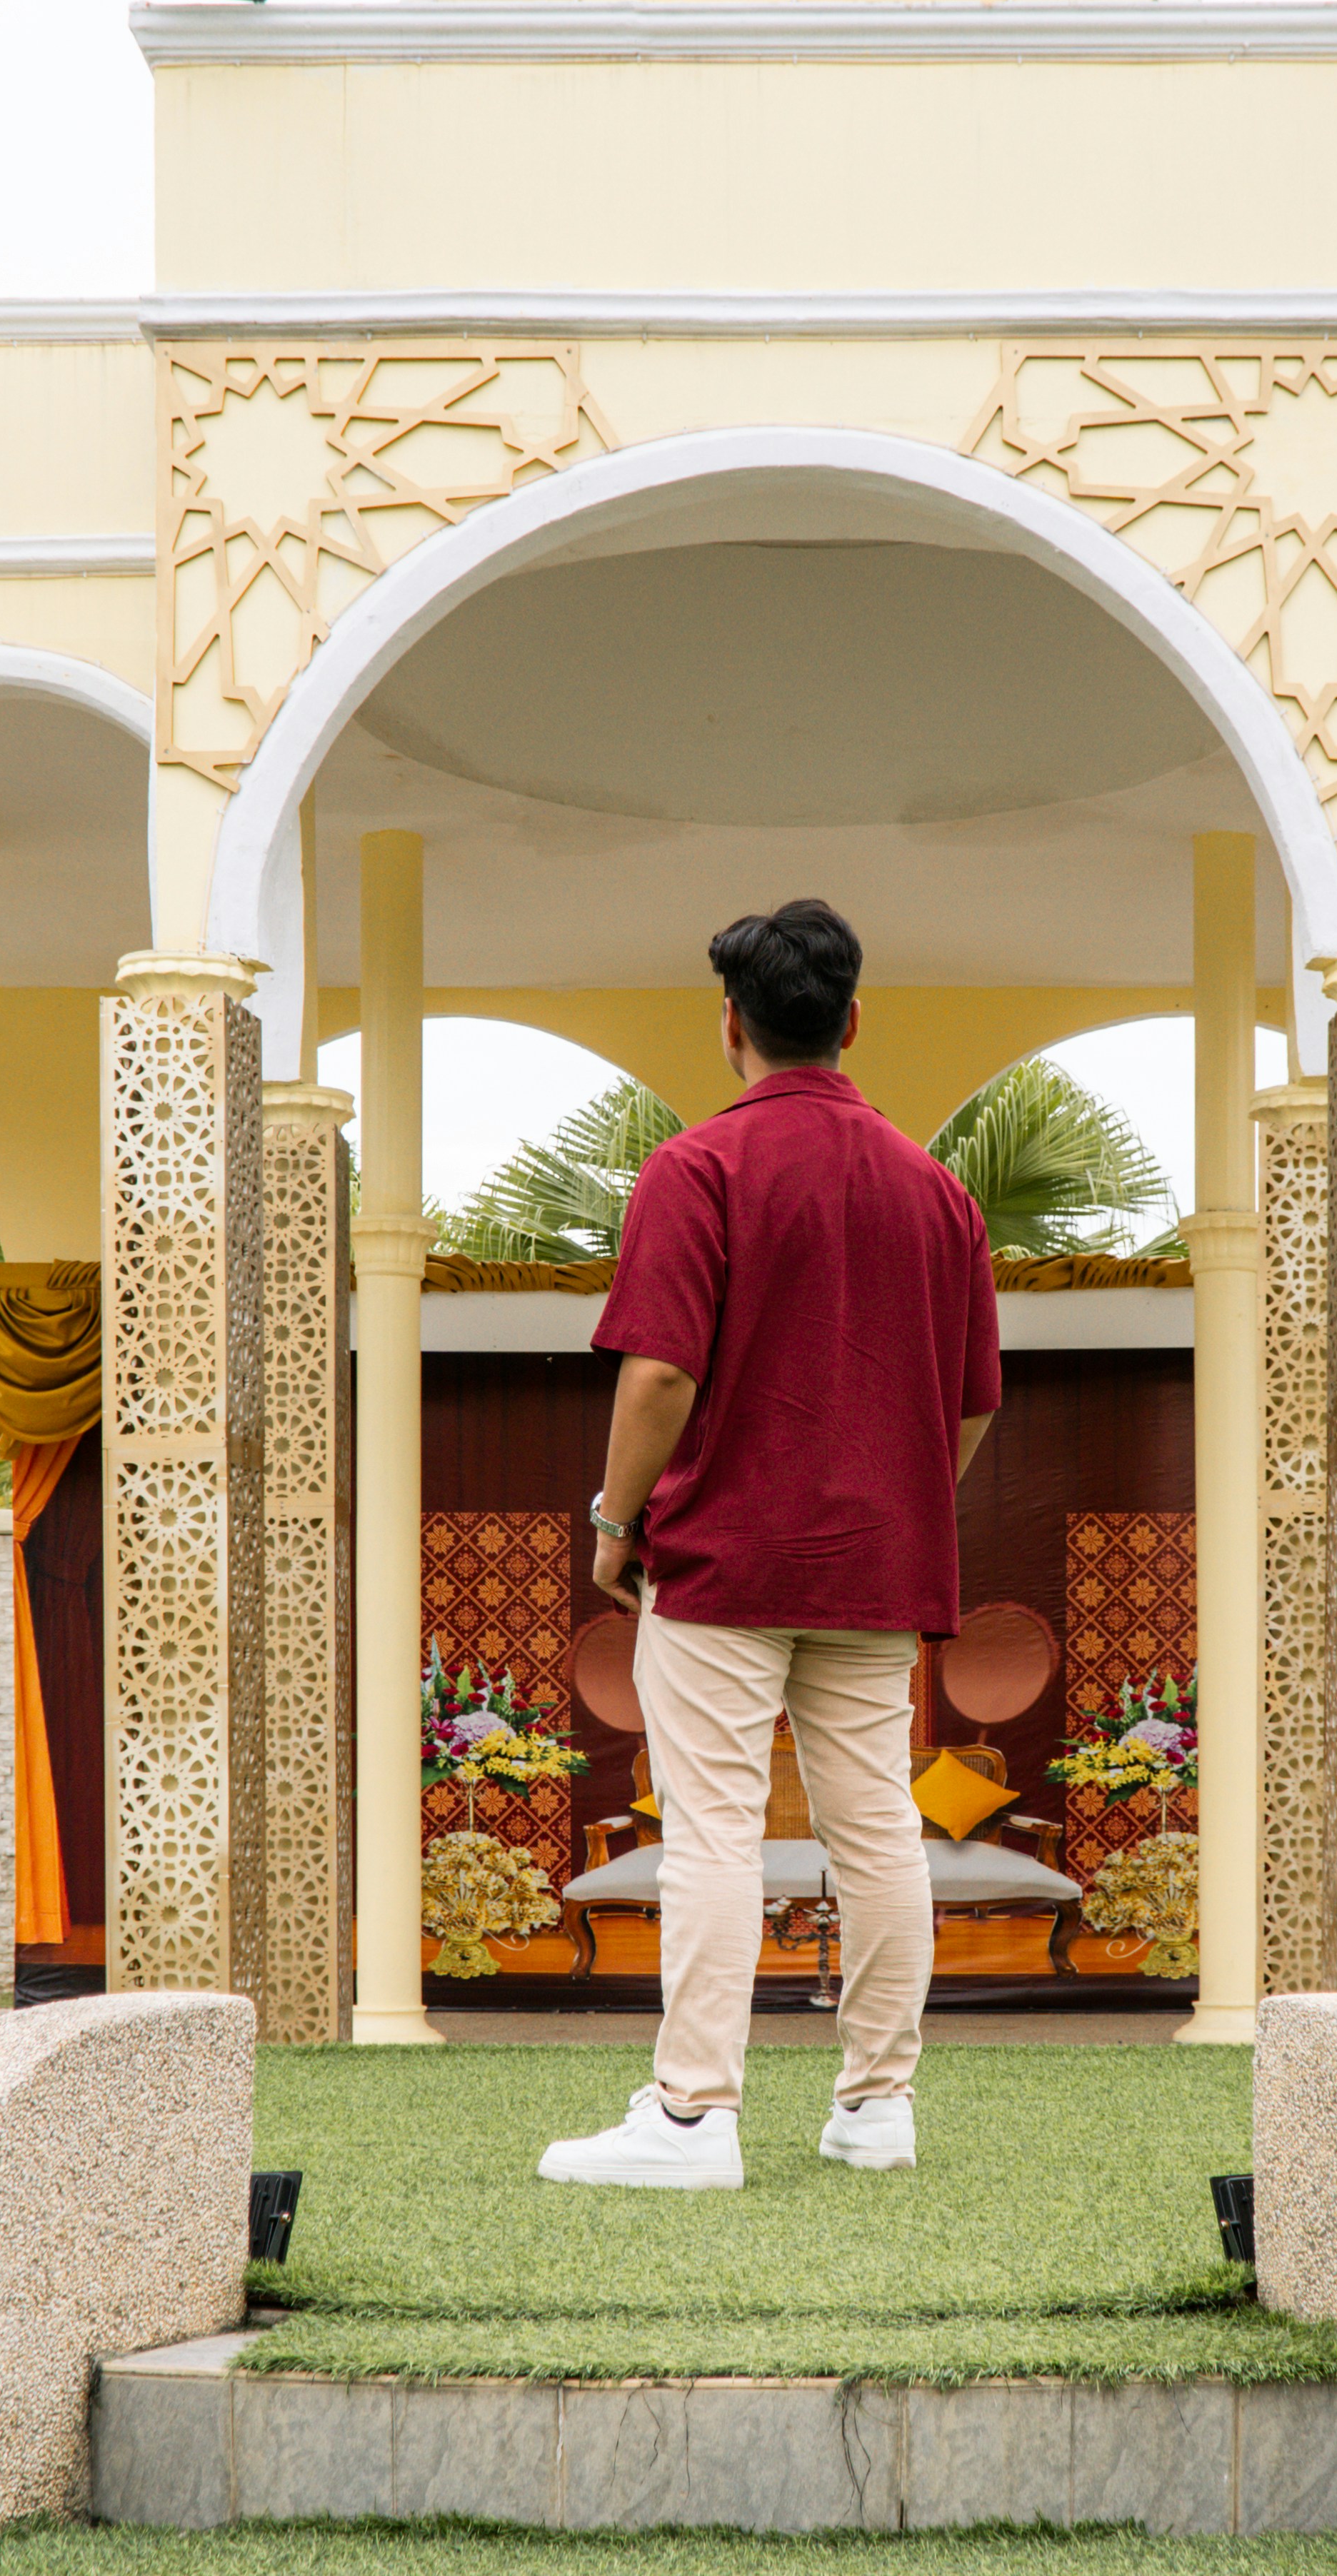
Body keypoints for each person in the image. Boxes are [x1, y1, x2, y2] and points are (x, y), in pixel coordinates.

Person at [537, 897, 1001, 2190]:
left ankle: (692, 2120)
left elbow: (659, 1381)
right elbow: (968, 1406)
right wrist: (897, 1502)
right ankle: (876, 2110)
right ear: (852, 1023)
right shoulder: (940, 1195)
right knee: (881, 1838)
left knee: (714, 1835)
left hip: (723, 1566)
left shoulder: (697, 1170)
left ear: (730, 1026)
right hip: (874, 1575)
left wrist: (617, 1522)